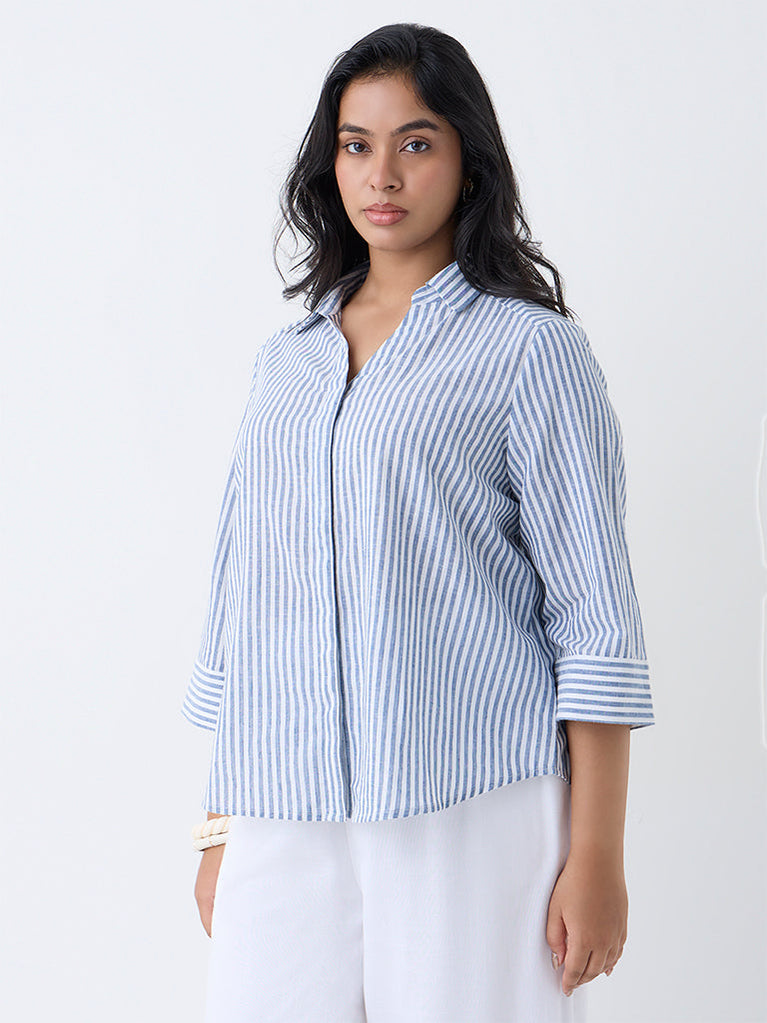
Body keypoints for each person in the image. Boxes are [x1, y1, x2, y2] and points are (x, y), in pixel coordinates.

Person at [182, 22, 656, 1023]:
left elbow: (593, 617)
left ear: (466, 159)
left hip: (469, 801)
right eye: (356, 144)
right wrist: (221, 828)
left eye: (415, 142)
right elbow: (242, 600)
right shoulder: (286, 361)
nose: (382, 174)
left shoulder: (529, 352)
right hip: (282, 805)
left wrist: (596, 854)